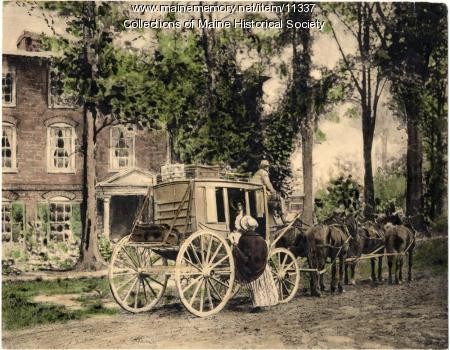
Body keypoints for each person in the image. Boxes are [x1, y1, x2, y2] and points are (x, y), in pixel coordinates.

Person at [232, 215, 278, 312]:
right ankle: (265, 302)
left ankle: (256, 305)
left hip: (250, 269)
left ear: (245, 227)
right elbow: (266, 255)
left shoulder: (243, 239)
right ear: (254, 227)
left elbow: (242, 256)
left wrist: (235, 246)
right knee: (263, 279)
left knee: (254, 284)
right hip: (262, 268)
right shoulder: (261, 239)